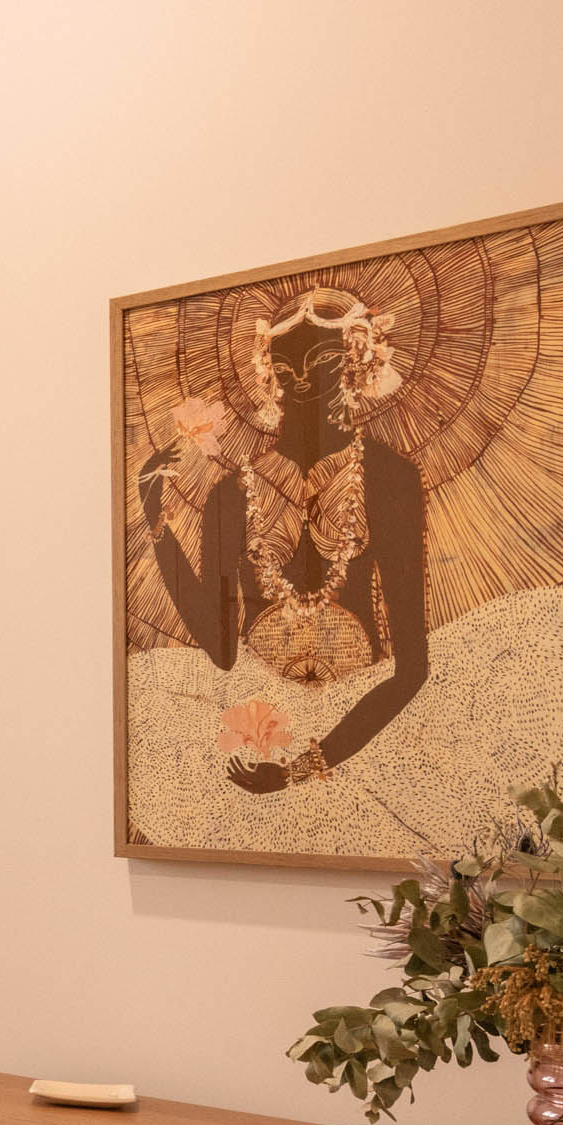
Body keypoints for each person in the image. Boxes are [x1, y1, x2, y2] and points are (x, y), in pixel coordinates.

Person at [133, 288, 429, 793]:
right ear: (269, 374)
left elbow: (412, 670)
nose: (302, 380)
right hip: (260, 725)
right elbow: (221, 649)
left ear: (357, 358)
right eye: (287, 368)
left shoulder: (389, 478)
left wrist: (302, 768)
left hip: (364, 727)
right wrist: (156, 517)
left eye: (320, 360)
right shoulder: (230, 495)